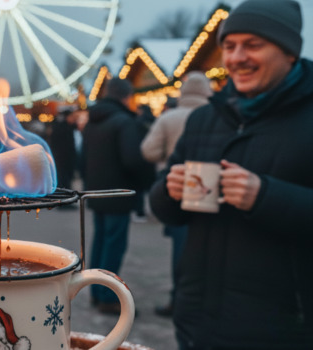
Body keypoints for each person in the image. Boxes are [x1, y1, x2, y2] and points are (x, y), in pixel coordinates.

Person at [149, 1, 313, 348]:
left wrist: (265, 196)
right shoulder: (204, 119)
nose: (237, 57)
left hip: (283, 328)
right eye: (229, 46)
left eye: (253, 45)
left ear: (289, 52)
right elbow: (165, 210)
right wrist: (168, 191)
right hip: (197, 319)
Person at [140, 72, 212, 318]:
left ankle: (178, 299)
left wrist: (167, 159)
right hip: (209, 188)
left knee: (181, 249)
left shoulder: (169, 117)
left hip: (176, 187)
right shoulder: (218, 117)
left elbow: (148, 150)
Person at [81, 78, 148, 315]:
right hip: (118, 193)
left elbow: (83, 158)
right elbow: (132, 159)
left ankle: (95, 291)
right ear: (127, 96)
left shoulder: (92, 122)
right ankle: (108, 297)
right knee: (114, 246)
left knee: (100, 241)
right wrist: (144, 179)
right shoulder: (125, 122)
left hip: (96, 191)